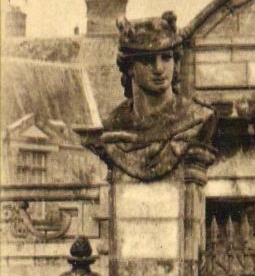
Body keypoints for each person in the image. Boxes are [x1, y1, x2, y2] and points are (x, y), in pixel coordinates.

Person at [79, 12, 214, 181]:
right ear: (130, 67)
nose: (158, 68)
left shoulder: (196, 117)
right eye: (148, 60)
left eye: (166, 58)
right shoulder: (112, 124)